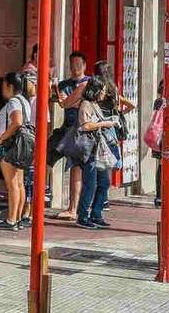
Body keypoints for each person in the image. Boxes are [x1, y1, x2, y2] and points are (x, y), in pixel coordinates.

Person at [75, 76, 118, 229]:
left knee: (104, 182)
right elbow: (85, 125)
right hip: (89, 149)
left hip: (98, 149)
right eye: (102, 91)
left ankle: (96, 213)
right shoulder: (86, 104)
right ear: (96, 90)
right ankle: (82, 216)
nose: (104, 94)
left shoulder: (95, 105)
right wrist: (105, 123)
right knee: (90, 184)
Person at [0, 71, 31, 230]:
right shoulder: (24, 101)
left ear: (10, 86)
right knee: (19, 183)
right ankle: (19, 217)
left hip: (10, 146)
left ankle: (11, 219)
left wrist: (1, 138)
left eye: (4, 85)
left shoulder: (14, 101)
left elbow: (17, 122)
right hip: (20, 146)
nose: (2, 89)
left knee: (12, 184)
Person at [56, 51, 90, 221]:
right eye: (73, 65)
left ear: (84, 65)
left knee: (78, 168)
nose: (75, 68)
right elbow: (62, 102)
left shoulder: (89, 83)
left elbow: (70, 102)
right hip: (67, 129)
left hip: (84, 131)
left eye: (79, 64)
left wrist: (71, 101)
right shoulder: (64, 84)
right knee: (49, 157)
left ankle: (74, 208)